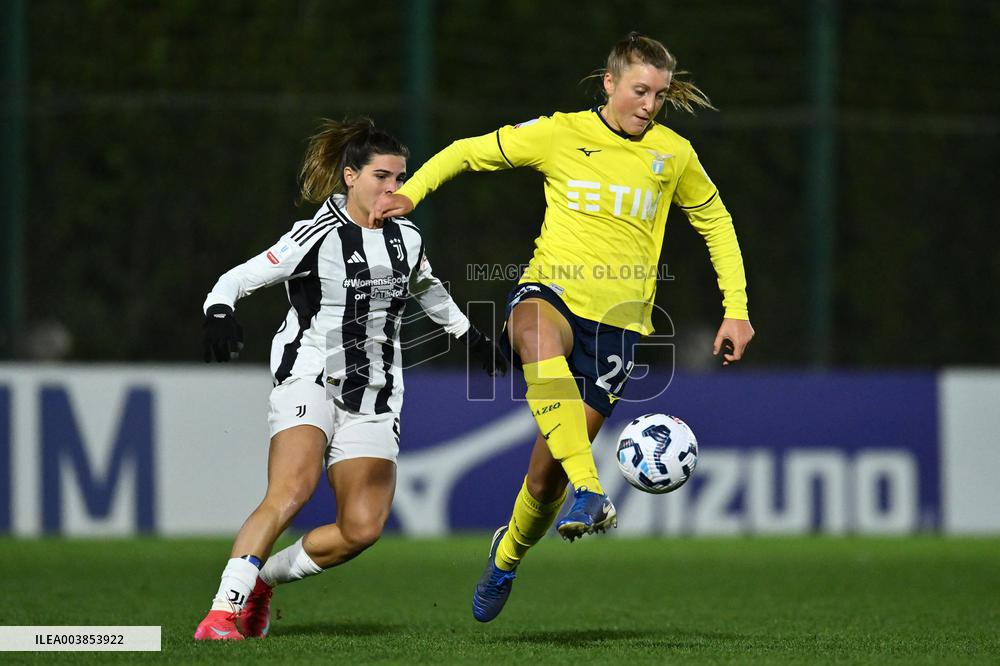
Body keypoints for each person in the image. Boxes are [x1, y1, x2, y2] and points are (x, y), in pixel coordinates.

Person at [371, 32, 754, 622]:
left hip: (619, 327)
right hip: (550, 291)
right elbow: (467, 151)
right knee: (532, 333)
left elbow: (717, 223)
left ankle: (507, 555)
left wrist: (737, 309)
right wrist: (413, 192)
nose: (649, 105)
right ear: (609, 83)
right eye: (639, 91)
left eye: (659, 94)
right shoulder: (559, 133)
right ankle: (592, 489)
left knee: (543, 478)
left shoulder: (673, 154)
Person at [193, 117, 504, 640]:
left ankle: (262, 581)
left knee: (362, 528)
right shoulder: (318, 233)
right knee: (292, 488)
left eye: (399, 178)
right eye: (382, 177)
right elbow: (241, 275)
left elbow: (427, 287)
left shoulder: (407, 237)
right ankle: (222, 613)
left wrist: (470, 337)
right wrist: (219, 310)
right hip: (310, 375)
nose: (392, 189)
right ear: (350, 176)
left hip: (376, 393)